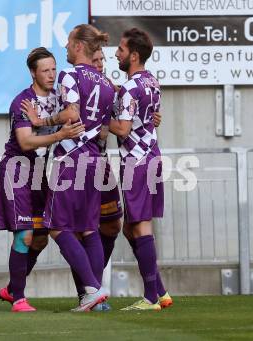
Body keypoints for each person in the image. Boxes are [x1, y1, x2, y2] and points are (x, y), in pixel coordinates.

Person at [24, 24, 115, 311]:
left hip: (72, 158)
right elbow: (103, 130)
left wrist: (40, 121)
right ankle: (96, 295)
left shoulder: (72, 75)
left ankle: (91, 290)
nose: (64, 47)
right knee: (89, 229)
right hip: (95, 160)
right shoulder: (106, 83)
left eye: (68, 42)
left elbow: (72, 113)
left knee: (55, 227)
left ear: (78, 46)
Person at [0, 47, 85, 312]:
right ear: (33, 72)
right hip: (17, 170)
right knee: (24, 235)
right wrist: (59, 135)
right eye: (45, 70)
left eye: (54, 69)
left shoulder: (59, 98)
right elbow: (24, 142)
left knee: (41, 238)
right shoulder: (23, 101)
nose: (51, 74)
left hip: (38, 172)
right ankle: (19, 298)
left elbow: (73, 113)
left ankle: (12, 288)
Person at [108, 28, 172, 310]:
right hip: (151, 156)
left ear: (133, 55)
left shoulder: (132, 87)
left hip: (137, 161)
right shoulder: (151, 82)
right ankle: (160, 291)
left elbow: (122, 128)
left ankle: (150, 298)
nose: (116, 54)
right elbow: (147, 118)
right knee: (130, 229)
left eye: (120, 50)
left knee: (140, 224)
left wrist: (97, 119)